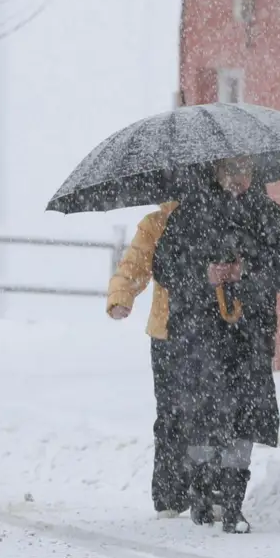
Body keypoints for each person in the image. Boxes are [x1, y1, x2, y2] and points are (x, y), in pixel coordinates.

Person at [151, 157, 280, 533]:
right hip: (199, 335)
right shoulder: (190, 213)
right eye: (231, 171)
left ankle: (233, 501)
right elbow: (164, 265)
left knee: (244, 418)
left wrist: (244, 272)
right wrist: (204, 274)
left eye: (246, 170)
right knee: (202, 418)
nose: (239, 179)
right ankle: (203, 494)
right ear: (215, 172)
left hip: (249, 336)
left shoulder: (266, 213)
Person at [106, 200, 191, 516]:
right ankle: (170, 494)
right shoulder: (156, 224)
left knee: (203, 414)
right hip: (167, 331)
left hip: (209, 333)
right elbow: (134, 266)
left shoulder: (217, 216)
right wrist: (121, 296)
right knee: (171, 414)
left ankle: (203, 489)